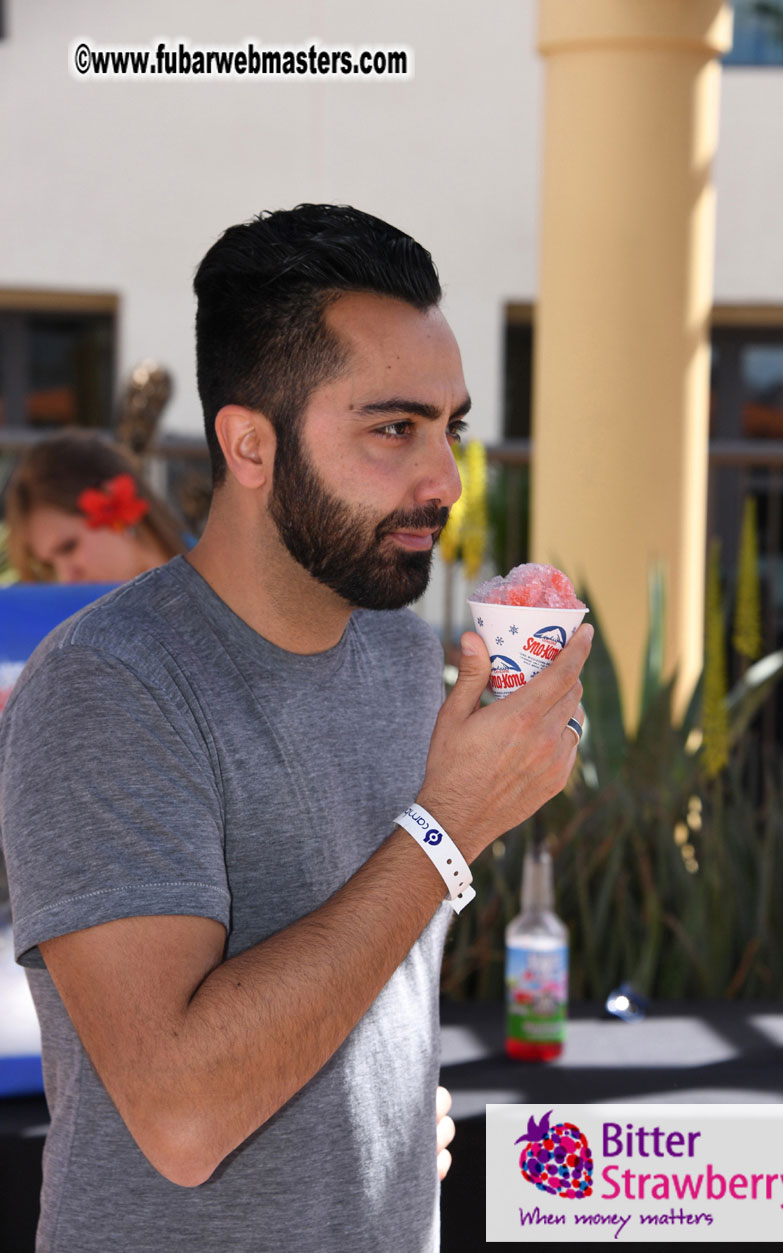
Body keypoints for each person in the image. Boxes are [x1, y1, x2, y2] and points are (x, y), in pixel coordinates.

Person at [0, 205, 591, 1252]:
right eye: (391, 427)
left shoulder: (409, 662)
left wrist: (395, 1119)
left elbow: (370, 981)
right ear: (248, 443)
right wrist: (449, 826)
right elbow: (179, 1113)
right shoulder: (106, 685)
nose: (446, 479)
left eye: (446, 426)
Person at [4, 432, 186, 583]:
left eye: (69, 547)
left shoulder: (211, 575)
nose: (66, 578)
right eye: (49, 567)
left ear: (119, 503)